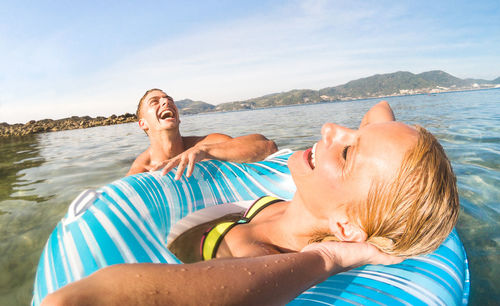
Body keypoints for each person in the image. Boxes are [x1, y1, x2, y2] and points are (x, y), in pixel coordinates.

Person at [42, 101, 459, 305]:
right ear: (143, 124)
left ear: (346, 228)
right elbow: (380, 110)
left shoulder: (257, 257)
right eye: (350, 134)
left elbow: (79, 301)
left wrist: (332, 258)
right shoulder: (297, 201)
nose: (332, 127)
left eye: (348, 153)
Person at [127, 88, 278, 178]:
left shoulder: (204, 145)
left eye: (169, 99)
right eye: (154, 102)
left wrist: (206, 152)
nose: (166, 102)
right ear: (143, 123)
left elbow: (267, 146)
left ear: (178, 118)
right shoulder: (142, 170)